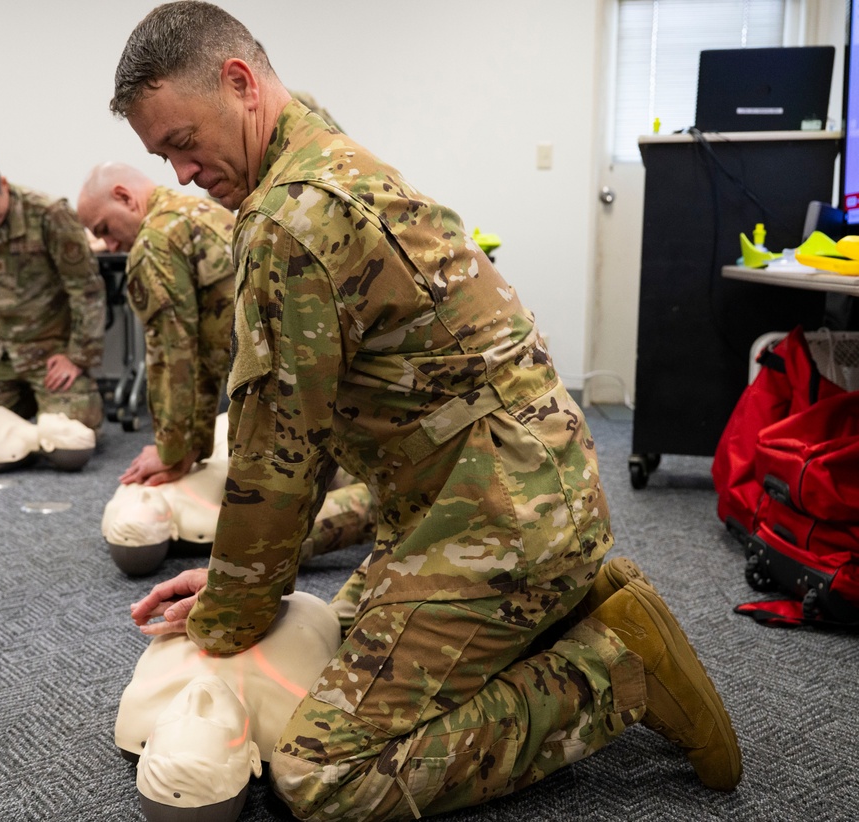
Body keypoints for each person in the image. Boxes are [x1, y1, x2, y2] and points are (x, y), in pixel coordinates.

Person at [113, 4, 743, 820]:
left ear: (238, 83)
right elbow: (334, 440)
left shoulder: (286, 221)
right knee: (330, 636)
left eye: (182, 142)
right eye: (163, 156)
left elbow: (278, 463)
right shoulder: (326, 154)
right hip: (491, 491)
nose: (182, 175)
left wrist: (231, 614)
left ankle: (613, 669)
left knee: (320, 775)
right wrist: (243, 579)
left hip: (500, 518)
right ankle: (560, 609)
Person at [77, 162, 235, 486]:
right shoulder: (202, 209)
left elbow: (173, 359)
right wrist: (193, 447)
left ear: (124, 197)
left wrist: (171, 452)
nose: (110, 246)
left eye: (104, 228)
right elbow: (207, 350)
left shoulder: (154, 244)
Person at [0, 152, 105, 431]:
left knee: (70, 444)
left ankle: (49, 404)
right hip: (1, 354)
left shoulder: (48, 214)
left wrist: (78, 358)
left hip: (53, 354)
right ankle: (26, 404)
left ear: (3, 184)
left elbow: (86, 288)